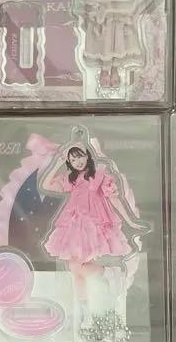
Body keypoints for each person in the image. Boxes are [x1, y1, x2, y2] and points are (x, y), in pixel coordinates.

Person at [40, 140, 147, 329]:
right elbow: (47, 185)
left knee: (76, 266)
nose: (78, 162)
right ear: (69, 162)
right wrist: (57, 162)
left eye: (80, 156)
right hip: (75, 224)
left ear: (87, 155)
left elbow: (114, 199)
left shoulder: (99, 174)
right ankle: (87, 312)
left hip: (93, 224)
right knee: (75, 269)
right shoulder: (71, 180)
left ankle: (107, 278)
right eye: (73, 159)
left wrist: (130, 222)